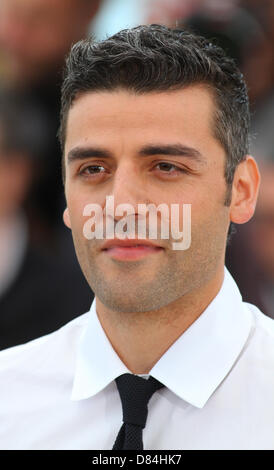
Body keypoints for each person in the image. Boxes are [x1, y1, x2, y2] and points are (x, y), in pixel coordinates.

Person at [0, 24, 273, 451]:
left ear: (241, 190)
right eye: (93, 169)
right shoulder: (8, 402)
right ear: (66, 197)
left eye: (166, 166)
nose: (120, 206)